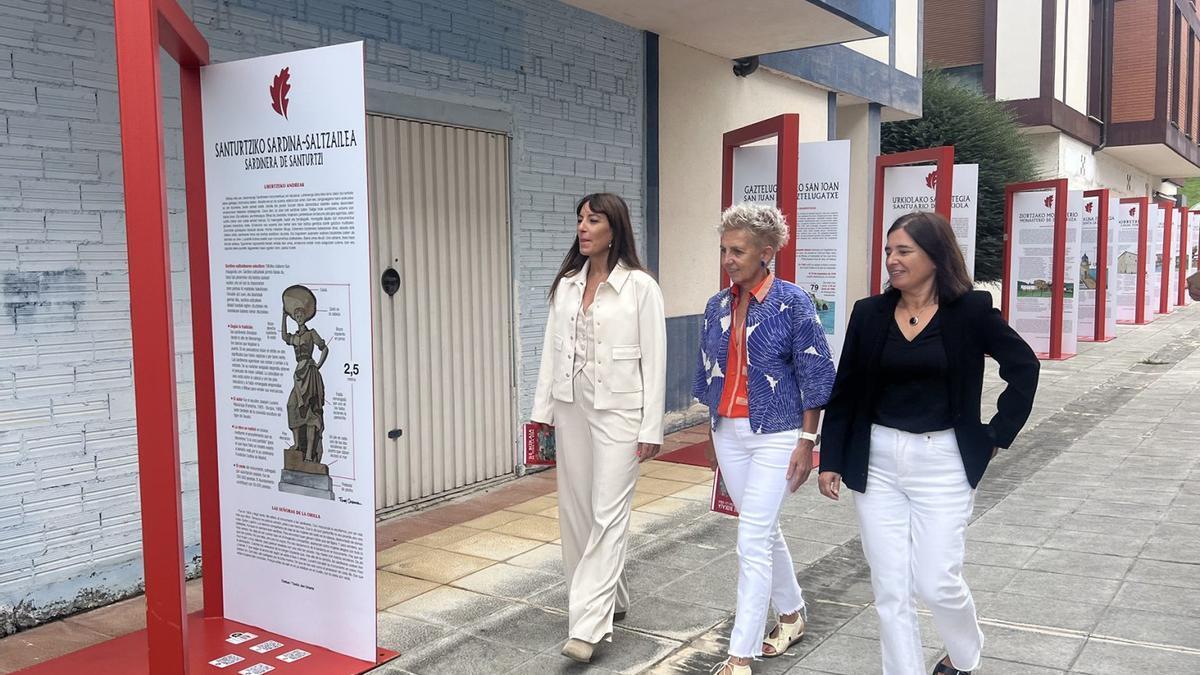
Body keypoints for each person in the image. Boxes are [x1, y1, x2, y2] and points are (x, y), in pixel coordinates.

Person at [818, 211, 1040, 675]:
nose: (892, 261)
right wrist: (832, 458)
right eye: (888, 251)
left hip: (943, 463)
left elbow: (1023, 366)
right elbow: (847, 389)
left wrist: (997, 434)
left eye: (903, 251)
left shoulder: (971, 311)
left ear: (935, 256)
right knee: (890, 587)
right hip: (877, 461)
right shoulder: (869, 313)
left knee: (937, 581)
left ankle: (964, 652)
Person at [692, 203, 836, 675]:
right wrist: (712, 434)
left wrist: (807, 441)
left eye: (738, 250)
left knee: (751, 539)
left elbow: (816, 373)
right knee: (763, 528)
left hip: (778, 432)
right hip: (729, 432)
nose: (728, 259)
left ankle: (740, 654)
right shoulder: (717, 305)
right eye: (724, 250)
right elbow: (708, 373)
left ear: (766, 252)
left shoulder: (792, 302)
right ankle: (792, 614)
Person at [530, 192, 667, 664]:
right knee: (577, 512)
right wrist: (541, 414)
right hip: (571, 408)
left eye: (593, 220)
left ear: (615, 228)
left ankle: (587, 625)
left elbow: (656, 357)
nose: (583, 228)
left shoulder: (640, 288)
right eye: (580, 220)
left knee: (609, 512)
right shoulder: (567, 285)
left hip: (620, 411)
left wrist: (652, 426)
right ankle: (612, 599)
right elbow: (550, 352)